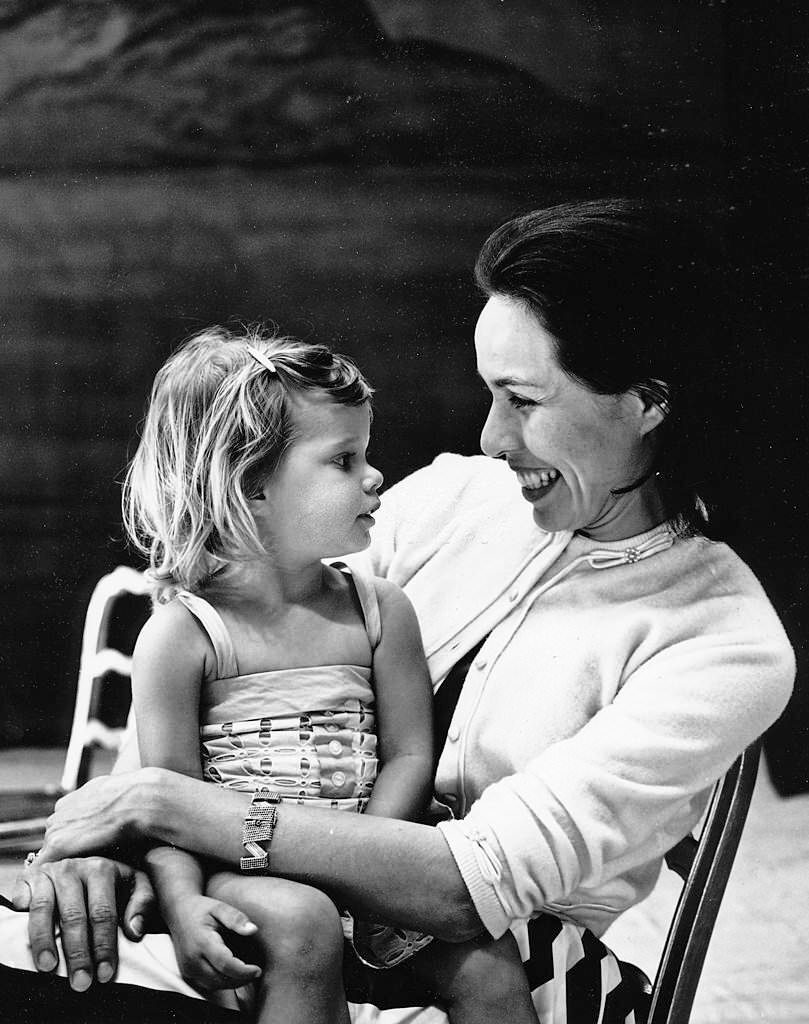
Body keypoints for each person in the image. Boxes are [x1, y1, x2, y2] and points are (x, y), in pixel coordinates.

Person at [0, 198, 795, 1024]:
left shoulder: (724, 643)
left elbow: (468, 887)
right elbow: (214, 677)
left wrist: (168, 808)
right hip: (284, 910)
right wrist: (110, 836)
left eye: (522, 400)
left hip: (502, 961)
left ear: (646, 402)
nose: (491, 439)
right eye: (490, 394)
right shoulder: (453, 498)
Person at [60, 325, 543, 1024]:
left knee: (485, 959)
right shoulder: (184, 634)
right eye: (344, 460)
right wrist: (185, 903)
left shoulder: (379, 611)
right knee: (302, 922)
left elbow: (410, 751)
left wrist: (368, 862)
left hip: (374, 854)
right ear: (252, 487)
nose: (375, 476)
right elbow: (170, 800)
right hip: (246, 873)